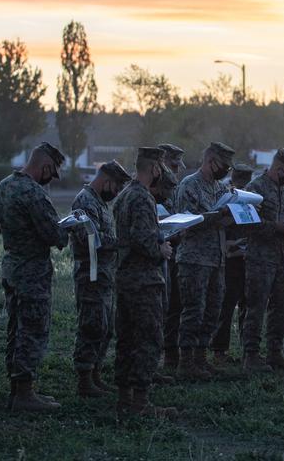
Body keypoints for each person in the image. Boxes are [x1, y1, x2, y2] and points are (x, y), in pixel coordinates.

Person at [0, 142, 69, 412]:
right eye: (52, 173)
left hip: (11, 267)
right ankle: (24, 394)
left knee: (15, 330)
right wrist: (69, 229)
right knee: (32, 331)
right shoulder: (34, 193)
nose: (51, 179)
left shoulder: (4, 186)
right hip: (32, 273)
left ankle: (17, 390)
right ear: (46, 166)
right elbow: (54, 235)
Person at [112, 147, 177, 417]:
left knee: (126, 339)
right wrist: (161, 249)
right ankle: (140, 402)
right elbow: (142, 238)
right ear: (154, 169)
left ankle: (125, 398)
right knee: (148, 339)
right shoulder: (141, 197)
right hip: (144, 281)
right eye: (160, 167)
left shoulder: (124, 194)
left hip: (126, 278)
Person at [70, 160, 132, 398]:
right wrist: (124, 242)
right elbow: (92, 239)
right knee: (92, 325)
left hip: (105, 274)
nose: (116, 194)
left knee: (105, 328)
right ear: (107, 181)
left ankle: (95, 375)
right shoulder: (84, 201)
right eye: (116, 188)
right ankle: (85, 379)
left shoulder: (99, 202)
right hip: (91, 275)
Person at [174, 142, 235, 379]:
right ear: (211, 162)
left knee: (213, 310)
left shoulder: (221, 188)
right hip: (194, 259)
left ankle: (201, 358)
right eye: (223, 166)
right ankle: (186, 362)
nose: (226, 171)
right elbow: (187, 221)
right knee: (194, 311)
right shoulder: (189, 185)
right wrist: (217, 215)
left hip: (216, 259)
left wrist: (236, 214)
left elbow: (222, 222)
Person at [241, 148, 284, 371]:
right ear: (278, 168)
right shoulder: (254, 189)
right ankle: (251, 355)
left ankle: (275, 352)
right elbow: (246, 222)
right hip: (260, 257)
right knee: (256, 306)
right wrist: (273, 227)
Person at [212, 162, 256, 363]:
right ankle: (220, 350)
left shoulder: (251, 195)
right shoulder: (222, 192)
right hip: (229, 256)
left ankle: (247, 349)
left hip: (247, 255)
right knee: (227, 304)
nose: (243, 187)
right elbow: (217, 223)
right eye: (240, 183)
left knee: (248, 304)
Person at [158, 143, 186, 377]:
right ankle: (158, 356)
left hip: (175, 252)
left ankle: (170, 353)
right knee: (159, 308)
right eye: (173, 164)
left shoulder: (175, 188)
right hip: (156, 256)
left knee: (175, 304)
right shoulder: (147, 189)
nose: (177, 170)